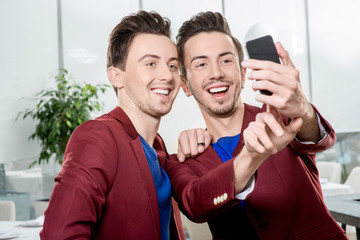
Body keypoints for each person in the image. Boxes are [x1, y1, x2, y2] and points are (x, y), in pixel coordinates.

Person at [165, 11, 347, 239]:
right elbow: (195, 204)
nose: (216, 73)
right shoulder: (183, 160)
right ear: (185, 85)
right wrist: (252, 155)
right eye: (201, 64)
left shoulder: (279, 117)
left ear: (242, 74)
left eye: (226, 60)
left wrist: (303, 108)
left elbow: (313, 134)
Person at [40, 10, 186, 240]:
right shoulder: (99, 137)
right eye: (150, 63)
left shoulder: (157, 145)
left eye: (173, 65)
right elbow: (59, 234)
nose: (166, 75)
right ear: (116, 76)